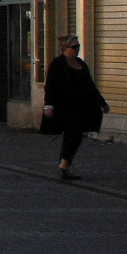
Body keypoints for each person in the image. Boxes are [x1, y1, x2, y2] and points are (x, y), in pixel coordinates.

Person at [42, 35, 108, 180]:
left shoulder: (81, 64)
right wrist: (48, 105)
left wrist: (102, 103)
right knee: (72, 135)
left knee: (75, 136)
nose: (77, 49)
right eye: (74, 47)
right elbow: (50, 86)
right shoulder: (57, 64)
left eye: (78, 46)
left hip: (81, 107)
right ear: (65, 48)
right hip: (64, 107)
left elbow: (90, 86)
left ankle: (64, 165)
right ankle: (64, 166)